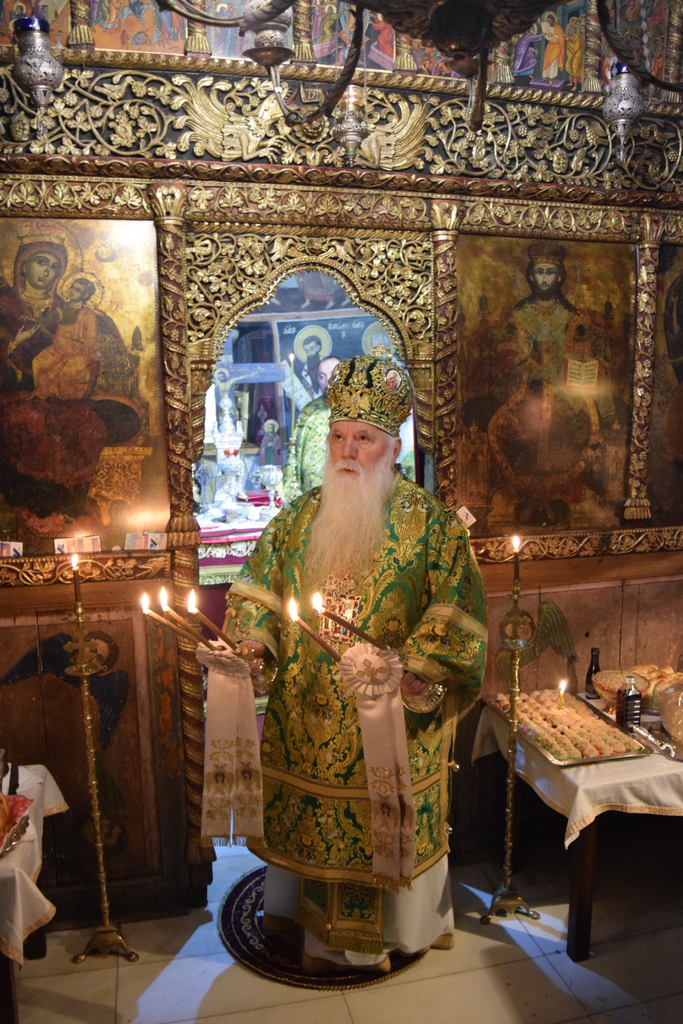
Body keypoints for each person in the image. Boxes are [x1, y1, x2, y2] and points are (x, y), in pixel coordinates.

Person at [224, 355, 487, 973]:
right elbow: (259, 589)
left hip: (390, 717)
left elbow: (457, 610)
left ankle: (395, 930)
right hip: (306, 715)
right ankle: (299, 920)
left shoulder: (433, 525)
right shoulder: (297, 517)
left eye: (363, 439)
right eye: (339, 436)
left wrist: (416, 667)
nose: (347, 450)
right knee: (311, 818)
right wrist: (252, 642)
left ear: (393, 447)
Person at [282, 355, 339, 502]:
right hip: (312, 498)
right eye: (322, 376)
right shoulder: (309, 412)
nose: (327, 381)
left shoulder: (358, 412)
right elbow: (294, 454)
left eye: (332, 375)